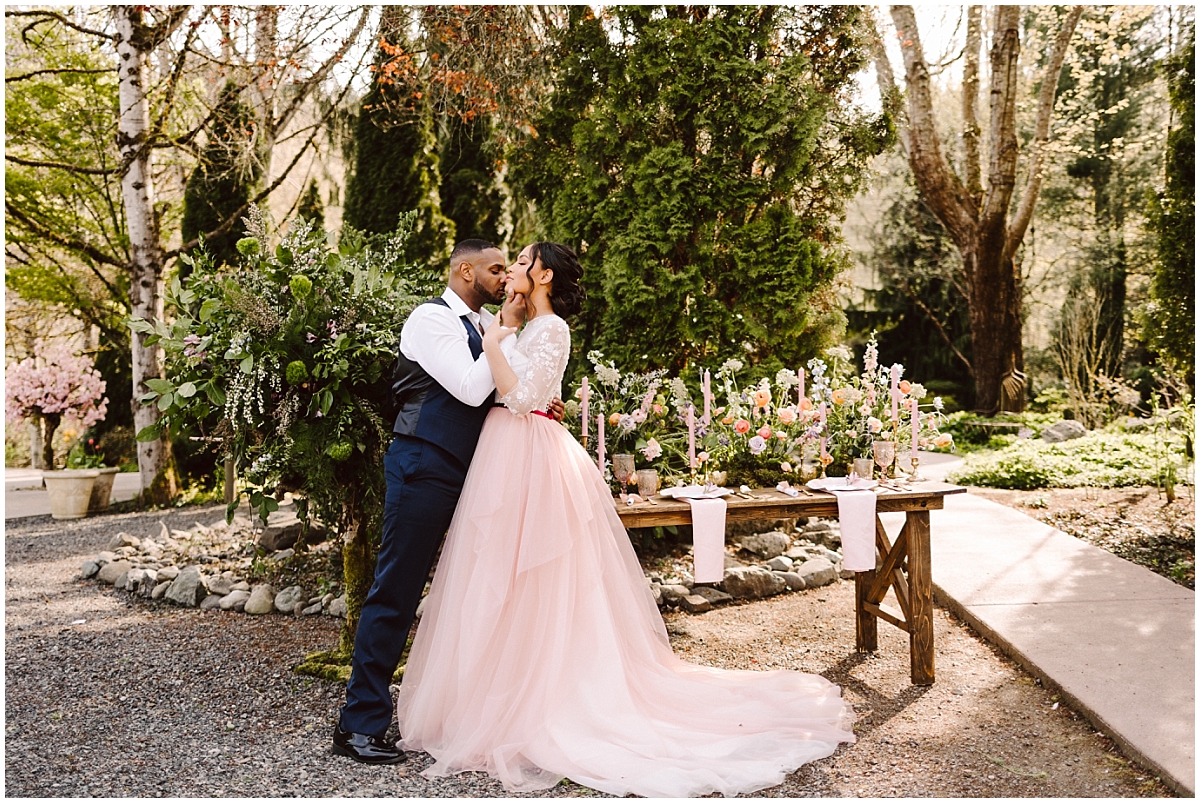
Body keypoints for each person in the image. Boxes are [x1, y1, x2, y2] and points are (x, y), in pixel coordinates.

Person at [395, 242, 856, 797]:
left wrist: (498, 343)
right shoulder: (519, 327)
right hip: (506, 451)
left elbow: (519, 400)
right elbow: (515, 391)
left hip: (525, 453)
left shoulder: (550, 329)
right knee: (502, 579)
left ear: (541, 274)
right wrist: (507, 339)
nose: (511, 270)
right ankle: (502, 695)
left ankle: (547, 700)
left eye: (519, 262)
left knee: (536, 578)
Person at [333, 239, 563, 764]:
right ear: (466, 270)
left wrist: (537, 395)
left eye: (511, 269)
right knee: (396, 589)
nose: (506, 277)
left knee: (476, 596)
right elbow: (465, 387)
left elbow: (504, 393)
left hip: (479, 473)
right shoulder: (430, 320)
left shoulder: (490, 327)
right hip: (425, 466)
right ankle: (358, 725)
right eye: (496, 269)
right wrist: (498, 336)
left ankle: (473, 719)